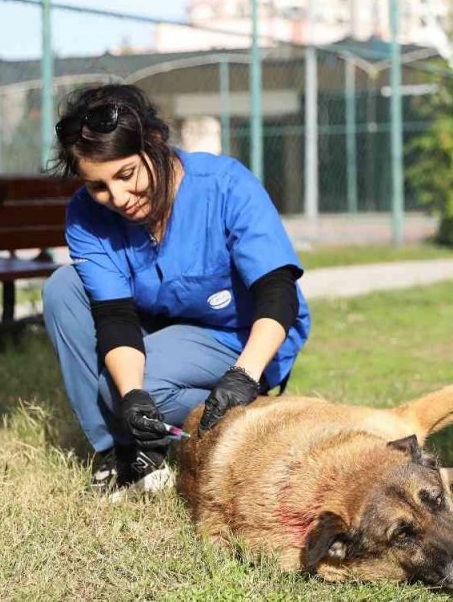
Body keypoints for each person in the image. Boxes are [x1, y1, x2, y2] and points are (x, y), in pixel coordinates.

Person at [43, 84, 309, 496]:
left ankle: (260, 420)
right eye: (98, 186)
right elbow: (115, 317)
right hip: (165, 331)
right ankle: (124, 453)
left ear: (155, 143)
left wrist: (244, 375)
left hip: (243, 336)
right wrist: (132, 397)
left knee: (123, 385)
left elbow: (278, 291)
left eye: (126, 174)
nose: (117, 198)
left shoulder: (224, 184)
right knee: (65, 289)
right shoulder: (86, 215)